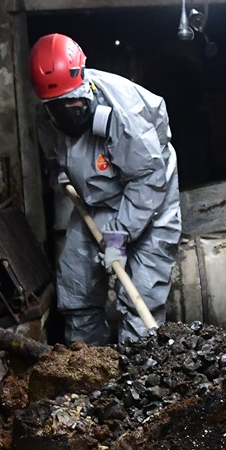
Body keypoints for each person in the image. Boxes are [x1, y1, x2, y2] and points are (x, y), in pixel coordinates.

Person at [30, 33, 181, 344]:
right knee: (76, 289)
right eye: (58, 107)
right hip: (96, 201)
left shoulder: (122, 115)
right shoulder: (47, 113)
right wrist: (59, 168)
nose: (68, 111)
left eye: (73, 103)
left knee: (140, 300)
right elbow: (52, 145)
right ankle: (89, 373)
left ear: (83, 82)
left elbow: (147, 178)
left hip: (148, 200)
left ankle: (143, 377)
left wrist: (118, 236)